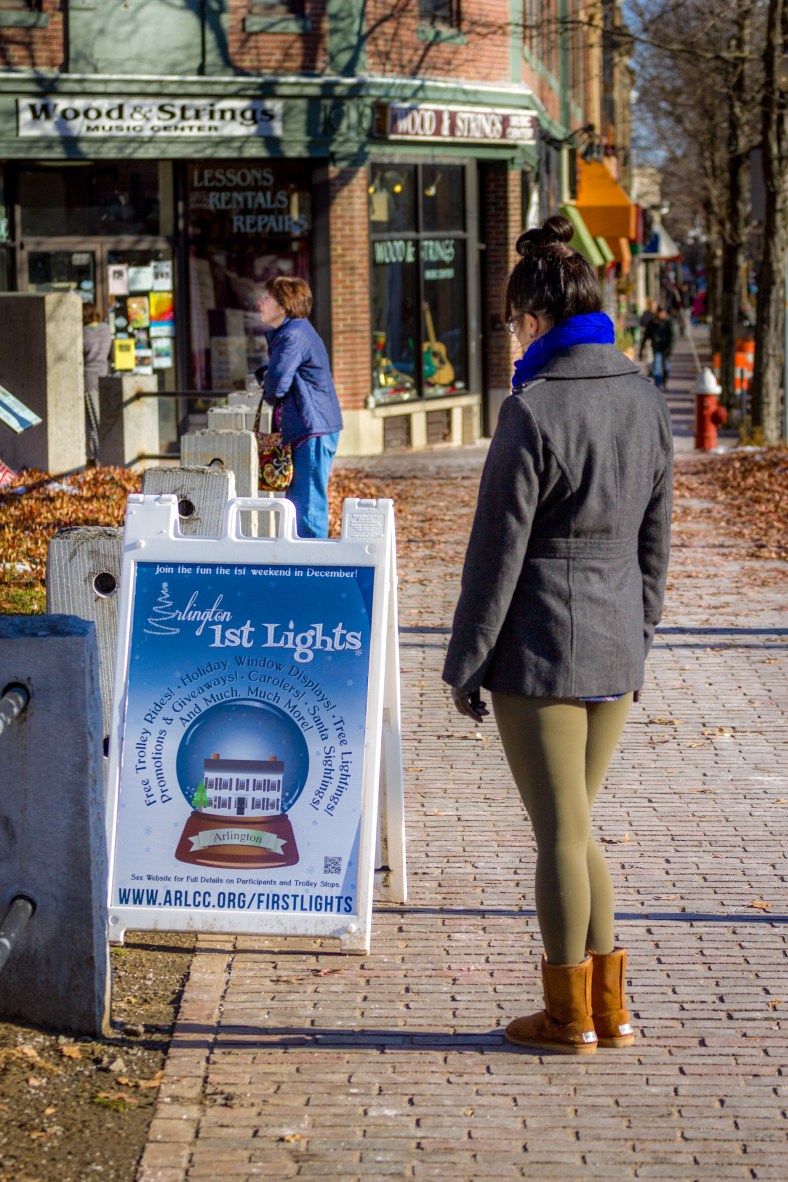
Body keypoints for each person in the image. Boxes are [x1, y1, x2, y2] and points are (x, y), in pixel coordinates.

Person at [443, 215, 672, 1055]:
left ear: (532, 321)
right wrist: (639, 631)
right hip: (615, 642)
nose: (510, 337)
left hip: (539, 645)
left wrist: (466, 662)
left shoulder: (533, 410)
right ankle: (607, 1007)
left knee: (561, 833)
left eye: (511, 323)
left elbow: (495, 555)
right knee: (575, 826)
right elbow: (658, 540)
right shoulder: (644, 396)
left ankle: (568, 1014)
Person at [258, 277, 343, 538]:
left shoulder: (292, 335)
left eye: (267, 298)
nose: (260, 303)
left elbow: (277, 383)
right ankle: (304, 563)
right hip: (312, 426)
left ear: (284, 306)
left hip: (312, 428)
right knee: (300, 502)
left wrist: (267, 383)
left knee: (308, 505)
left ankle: (315, 568)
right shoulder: (297, 331)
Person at [82, 302, 112, 464]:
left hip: (88, 379)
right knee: (101, 420)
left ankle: (95, 459)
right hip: (104, 378)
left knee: (92, 422)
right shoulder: (106, 329)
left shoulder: (83, 333)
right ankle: (100, 456)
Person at [639, 306, 674, 390]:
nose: (662, 314)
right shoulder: (652, 323)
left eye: (664, 313)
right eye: (661, 313)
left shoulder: (668, 322)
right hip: (656, 347)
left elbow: (673, 336)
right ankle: (658, 386)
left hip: (666, 348)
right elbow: (646, 336)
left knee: (666, 366)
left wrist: (670, 348)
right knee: (657, 366)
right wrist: (641, 350)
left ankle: (664, 383)